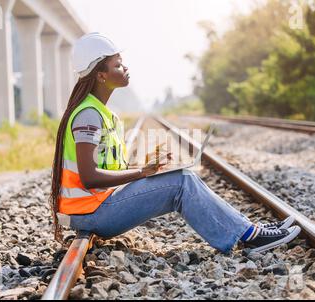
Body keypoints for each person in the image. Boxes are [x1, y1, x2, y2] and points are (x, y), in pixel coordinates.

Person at [49, 32, 301, 254]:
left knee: (180, 177)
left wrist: (148, 168)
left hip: (99, 205)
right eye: (118, 64)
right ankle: (248, 236)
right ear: (101, 75)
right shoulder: (89, 114)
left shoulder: (104, 113)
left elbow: (107, 169)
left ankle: (247, 229)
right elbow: (90, 177)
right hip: (92, 214)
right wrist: (141, 173)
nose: (125, 68)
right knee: (182, 181)